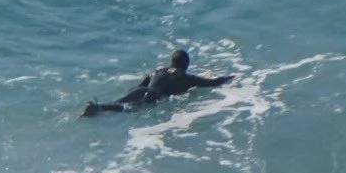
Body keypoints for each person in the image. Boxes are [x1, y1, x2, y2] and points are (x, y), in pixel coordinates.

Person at [82, 49, 235, 116]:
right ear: (186, 65)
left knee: (117, 103)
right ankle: (97, 109)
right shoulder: (187, 78)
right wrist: (231, 77)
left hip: (142, 90)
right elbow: (213, 83)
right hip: (153, 97)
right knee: (125, 109)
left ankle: (96, 107)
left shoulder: (159, 70)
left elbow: (143, 83)